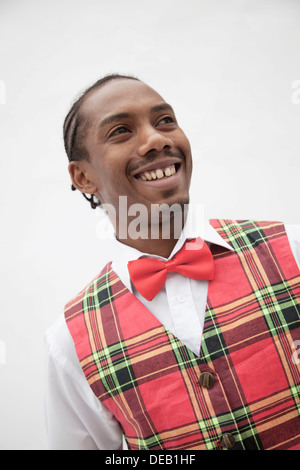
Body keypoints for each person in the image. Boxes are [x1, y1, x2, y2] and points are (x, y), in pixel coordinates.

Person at [45, 74, 300, 450]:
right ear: (83, 177)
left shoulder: (292, 249)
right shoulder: (68, 341)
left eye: (165, 121)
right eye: (121, 131)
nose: (157, 139)